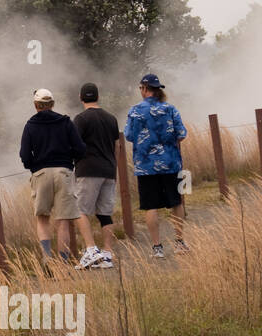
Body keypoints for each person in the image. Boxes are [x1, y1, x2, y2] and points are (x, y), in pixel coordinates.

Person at [19, 88, 86, 267]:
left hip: (41, 173)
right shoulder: (65, 122)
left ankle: (47, 259)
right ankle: (63, 264)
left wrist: (33, 167)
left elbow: (25, 155)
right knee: (63, 221)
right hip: (63, 172)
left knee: (42, 218)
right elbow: (80, 149)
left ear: (36, 105)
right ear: (52, 104)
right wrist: (69, 161)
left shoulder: (30, 125)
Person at [124, 73, 189, 258]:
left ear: (144, 89)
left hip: (146, 166)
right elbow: (182, 134)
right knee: (176, 202)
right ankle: (179, 242)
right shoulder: (170, 109)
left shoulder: (135, 111)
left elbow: (128, 135)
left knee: (150, 206)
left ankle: (157, 247)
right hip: (170, 164)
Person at [72, 82, 119, 269]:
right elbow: (117, 146)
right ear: (98, 97)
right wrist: (111, 163)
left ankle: (91, 249)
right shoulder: (111, 118)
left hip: (88, 170)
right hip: (109, 169)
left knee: (79, 210)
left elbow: (75, 145)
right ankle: (107, 253)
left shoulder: (80, 119)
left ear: (81, 97)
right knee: (105, 213)